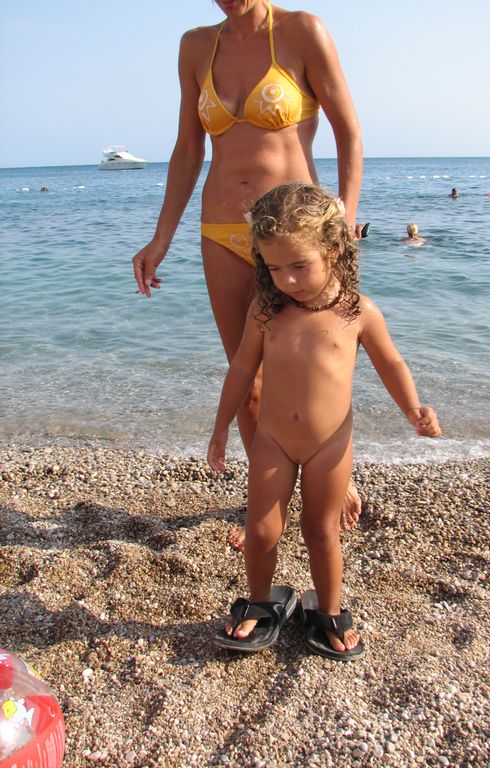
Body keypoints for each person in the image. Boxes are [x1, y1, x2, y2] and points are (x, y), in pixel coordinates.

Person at [131, 0, 364, 548]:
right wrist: (161, 237)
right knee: (247, 375)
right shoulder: (195, 45)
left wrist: (345, 218)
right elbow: (188, 149)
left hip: (298, 237)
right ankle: (266, 500)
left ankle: (335, 479)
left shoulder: (303, 31)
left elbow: (349, 132)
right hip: (221, 230)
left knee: (317, 368)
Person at [207, 183, 442, 660]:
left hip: (329, 446)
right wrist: (221, 427)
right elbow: (242, 370)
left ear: (333, 250)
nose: (287, 280)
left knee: (321, 531)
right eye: (274, 268)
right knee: (261, 531)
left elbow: (391, 363)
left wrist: (413, 408)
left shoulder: (357, 312)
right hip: (272, 440)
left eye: (299, 265)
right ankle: (260, 601)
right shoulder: (265, 311)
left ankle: (329, 610)